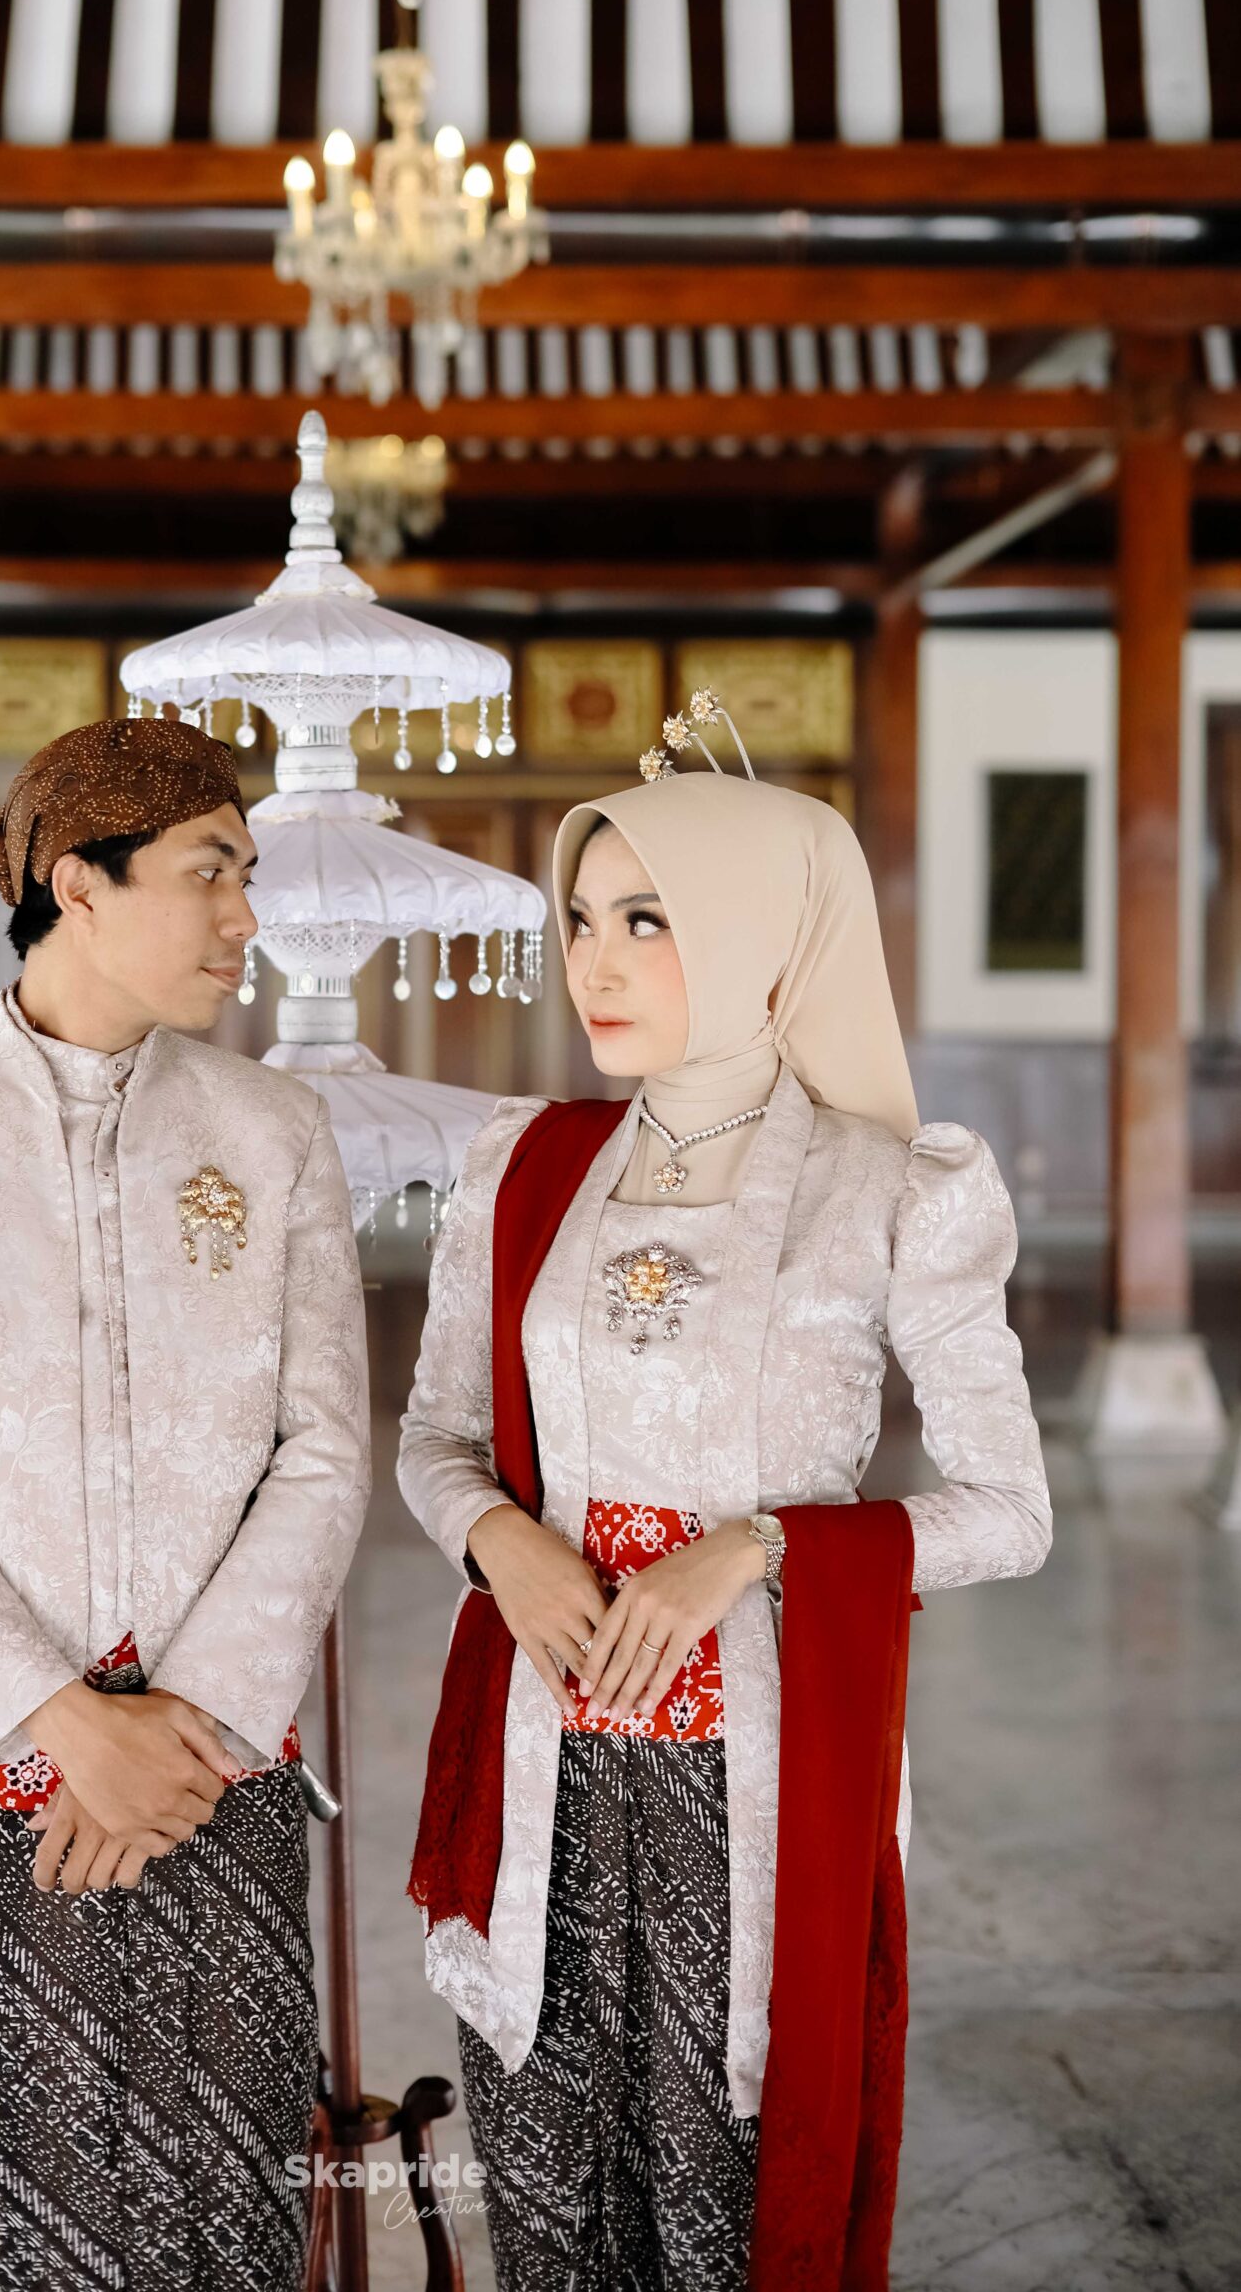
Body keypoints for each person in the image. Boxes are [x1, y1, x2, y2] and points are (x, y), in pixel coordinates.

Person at [397, 692, 1053, 2292]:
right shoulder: (522, 1165)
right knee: (541, 2178)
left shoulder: (891, 1190)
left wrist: (750, 1553)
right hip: (544, 1755)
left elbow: (1010, 1509)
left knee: (721, 2192)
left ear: (765, 937)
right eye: (581, 920)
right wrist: (500, 1542)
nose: (596, 962)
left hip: (749, 1786)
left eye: (650, 920)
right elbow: (435, 1437)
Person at [0, 714, 371, 2292]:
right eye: (211, 871)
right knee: (7, 2219)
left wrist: (186, 1727)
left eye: (248, 873)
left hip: (211, 1784)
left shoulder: (272, 1132)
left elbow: (322, 1453)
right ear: (78, 882)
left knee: (229, 2211)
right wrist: (62, 1721)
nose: (247, 915)